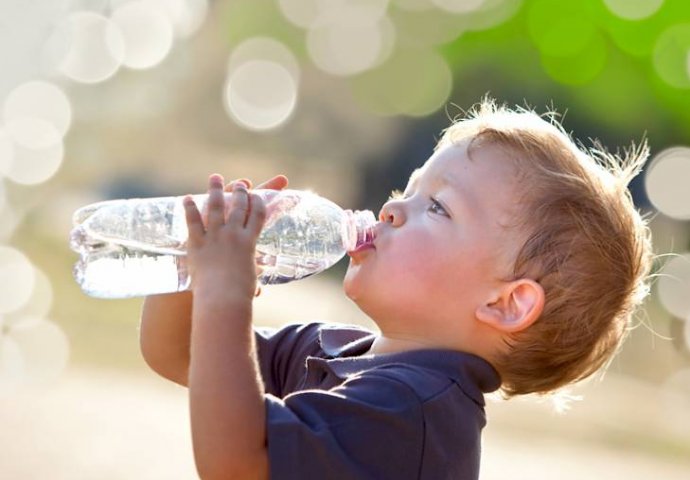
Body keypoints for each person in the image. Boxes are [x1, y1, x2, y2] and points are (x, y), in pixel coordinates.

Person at [139, 98, 654, 480]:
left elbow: (234, 462)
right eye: (406, 190)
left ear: (505, 302)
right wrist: (191, 265)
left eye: (437, 207)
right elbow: (178, 352)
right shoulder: (334, 349)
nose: (390, 209)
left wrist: (225, 295)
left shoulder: (414, 410)